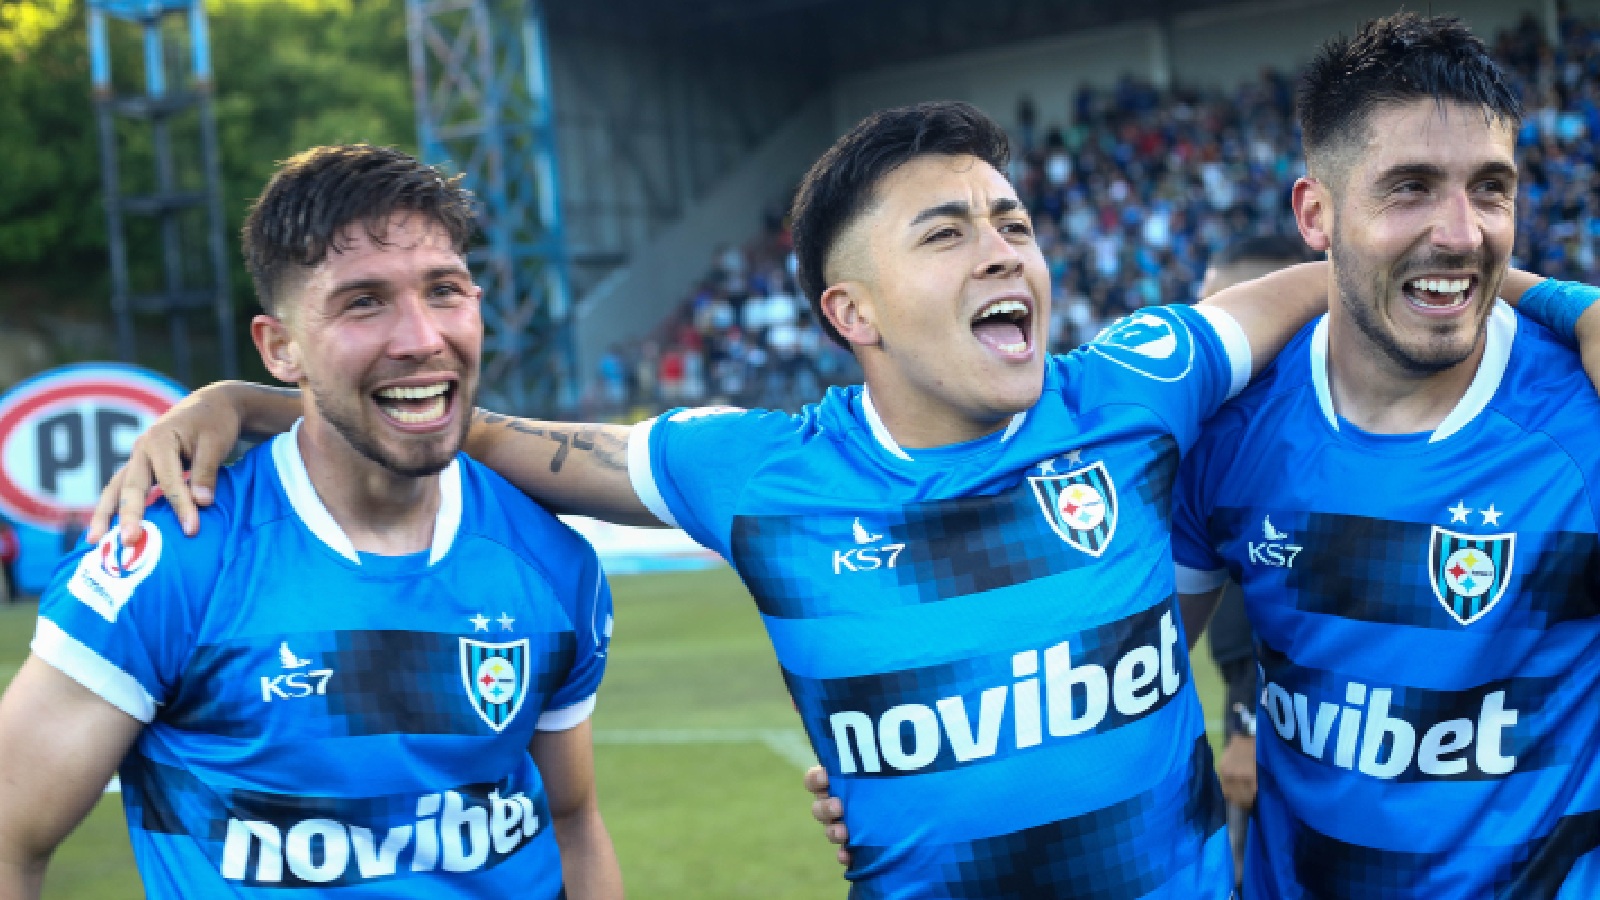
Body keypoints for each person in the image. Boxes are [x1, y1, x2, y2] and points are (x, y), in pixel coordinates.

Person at [89, 103, 1587, 897]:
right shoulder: (759, 472)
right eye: (949, 233)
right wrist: (265, 403)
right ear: (852, 311)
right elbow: (506, 436)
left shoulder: (1128, 386)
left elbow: (1329, 277)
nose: (1007, 251)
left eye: (1014, 221)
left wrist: (1554, 290)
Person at [0, 145, 621, 898]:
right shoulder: (177, 560)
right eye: (364, 301)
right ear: (280, 347)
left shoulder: (552, 560)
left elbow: (573, 820)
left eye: (445, 290)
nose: (421, 337)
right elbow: (10, 840)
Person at [1172, 14, 1600, 895]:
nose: (1461, 232)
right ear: (1315, 213)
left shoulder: (1583, 417)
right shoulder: (1228, 432)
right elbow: (1111, 689)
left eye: (1491, 189)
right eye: (1409, 188)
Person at [1195, 234, 1311, 885]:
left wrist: (1244, 725)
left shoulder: (1297, 444)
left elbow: (1272, 611)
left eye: (1222, 311)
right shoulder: (1230, 430)